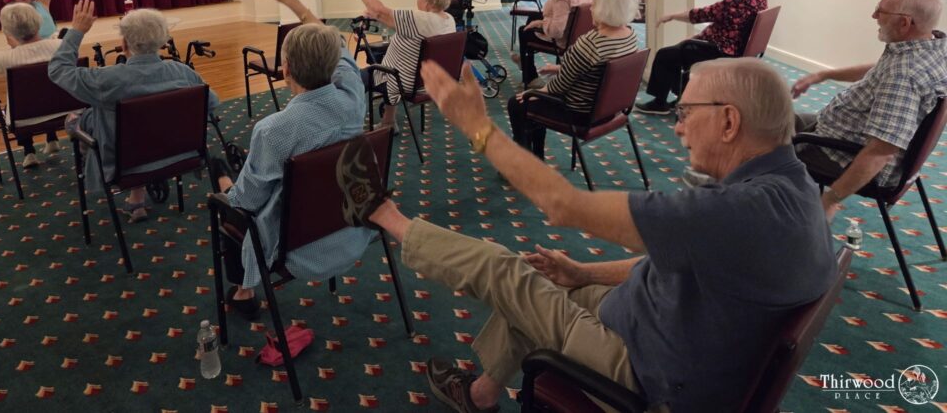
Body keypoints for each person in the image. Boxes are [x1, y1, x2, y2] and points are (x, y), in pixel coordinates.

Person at [338, 57, 836, 412]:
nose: (678, 129)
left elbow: (560, 204)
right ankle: (481, 396)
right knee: (547, 280)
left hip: (646, 374)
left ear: (729, 122)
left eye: (686, 114)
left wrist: (477, 126)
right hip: (674, 337)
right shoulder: (793, 188)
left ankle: (382, 213)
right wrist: (581, 271)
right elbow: (686, 263)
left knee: (503, 269)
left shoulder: (733, 212)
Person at [210, 0, 375, 320]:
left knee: (225, 198)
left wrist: (226, 189)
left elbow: (247, 203)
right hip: (351, 227)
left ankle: (244, 289)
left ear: (284, 71)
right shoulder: (353, 97)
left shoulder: (273, 130)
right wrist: (294, 2)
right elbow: (333, 44)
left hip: (295, 249)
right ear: (334, 64)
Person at [48, 0, 219, 223]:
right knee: (134, 121)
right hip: (179, 156)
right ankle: (137, 196)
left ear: (124, 44)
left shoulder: (106, 80)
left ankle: (97, 160)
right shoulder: (183, 73)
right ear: (162, 41)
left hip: (124, 165)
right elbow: (212, 102)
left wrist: (77, 31)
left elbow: (58, 70)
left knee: (79, 119)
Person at [791, 0, 947, 220]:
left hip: (842, 153)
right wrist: (823, 75)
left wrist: (831, 199)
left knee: (761, 148)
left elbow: (880, 152)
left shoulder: (904, 75)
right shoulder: (929, 46)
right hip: (842, 132)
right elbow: (878, 70)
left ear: (904, 23)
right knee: (778, 118)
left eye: (880, 11)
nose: (874, 16)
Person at [508, 0, 640, 159]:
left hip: (580, 113)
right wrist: (561, 67)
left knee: (518, 103)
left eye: (595, 5)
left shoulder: (590, 43)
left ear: (604, 10)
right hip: (612, 110)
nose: (591, 8)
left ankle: (524, 161)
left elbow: (559, 87)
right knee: (533, 100)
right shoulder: (630, 35)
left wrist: (535, 92)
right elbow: (602, 68)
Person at [635, 0, 768, 114]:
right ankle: (684, 97)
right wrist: (699, 37)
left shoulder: (740, 0)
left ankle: (660, 102)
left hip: (722, 52)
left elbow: (701, 15)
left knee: (665, 54)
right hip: (735, 50)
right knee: (680, 50)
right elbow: (724, 25)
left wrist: (672, 16)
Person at [342, 0, 455, 128]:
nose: (417, 1)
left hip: (402, 81)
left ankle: (346, 125)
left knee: (353, 78)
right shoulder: (448, 20)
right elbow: (389, 18)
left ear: (428, 3)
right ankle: (388, 122)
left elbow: (380, 10)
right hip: (426, 80)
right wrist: (377, 16)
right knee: (388, 63)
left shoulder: (422, 19)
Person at [0, 3, 64, 167]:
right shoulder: (60, 46)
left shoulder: (5, 58)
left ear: (8, 31)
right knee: (47, 92)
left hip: (23, 120)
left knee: (20, 102)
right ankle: (52, 139)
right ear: (38, 22)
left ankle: (29, 152)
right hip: (66, 112)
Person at [511, 0, 594, 89]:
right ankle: (524, 61)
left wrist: (542, 23)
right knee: (533, 17)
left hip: (563, 40)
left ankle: (530, 76)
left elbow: (556, 31)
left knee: (524, 31)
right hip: (579, 35)